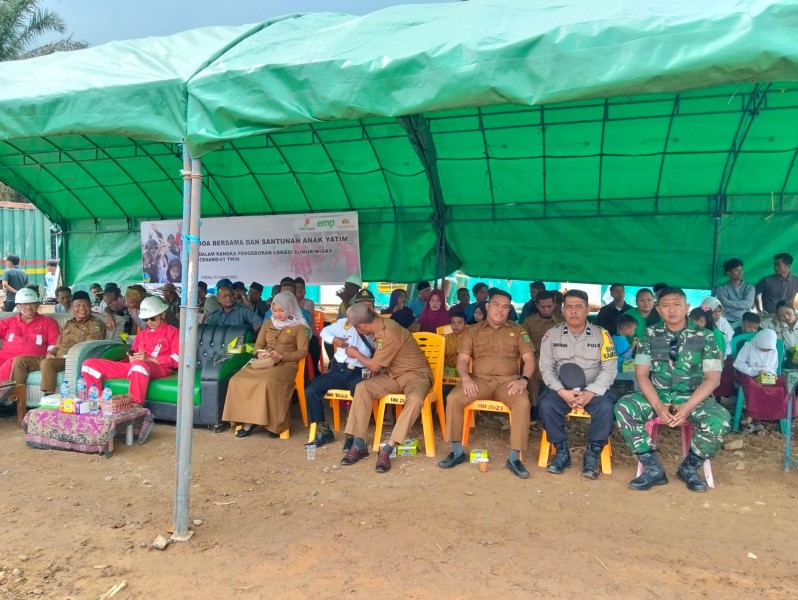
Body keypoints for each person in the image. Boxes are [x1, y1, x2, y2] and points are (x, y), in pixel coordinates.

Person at [615, 287, 729, 493]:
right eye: (666, 306)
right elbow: (641, 374)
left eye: (677, 305)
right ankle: (652, 468)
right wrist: (658, 406)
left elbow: (713, 379)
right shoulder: (649, 334)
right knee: (623, 407)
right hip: (658, 395)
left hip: (694, 397)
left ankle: (689, 468)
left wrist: (688, 406)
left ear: (687, 307)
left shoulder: (706, 336)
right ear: (658, 310)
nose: (672, 310)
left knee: (720, 418)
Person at [438, 290, 534, 478]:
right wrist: (465, 379)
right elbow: (462, 361)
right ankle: (457, 451)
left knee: (522, 403)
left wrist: (524, 380)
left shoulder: (518, 330)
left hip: (508, 383)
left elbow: (530, 359)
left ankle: (515, 458)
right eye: (496, 305)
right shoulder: (472, 331)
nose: (501, 310)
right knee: (454, 398)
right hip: (479, 381)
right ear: (488, 306)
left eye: (505, 307)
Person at [339, 303, 433, 473]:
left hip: (416, 375)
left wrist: (355, 353)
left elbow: (375, 366)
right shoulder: (380, 325)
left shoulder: (388, 331)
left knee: (415, 399)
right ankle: (358, 443)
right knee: (363, 388)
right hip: (394, 376)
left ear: (362, 326)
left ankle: (388, 448)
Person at [537, 290, 618, 479]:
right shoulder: (551, 335)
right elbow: (546, 369)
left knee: (606, 407)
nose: (574, 311)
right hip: (561, 390)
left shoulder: (602, 335)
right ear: (563, 310)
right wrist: (561, 391)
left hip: (593, 390)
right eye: (569, 307)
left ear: (587, 310)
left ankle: (593, 454)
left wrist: (590, 392)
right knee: (546, 405)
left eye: (579, 307)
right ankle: (561, 451)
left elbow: (610, 369)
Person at [223, 292, 310, 437]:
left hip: (286, 364)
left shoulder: (300, 327)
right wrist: (259, 353)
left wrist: (282, 356)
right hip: (263, 362)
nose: (277, 314)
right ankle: (248, 421)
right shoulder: (268, 322)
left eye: (281, 311)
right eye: (274, 310)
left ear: (289, 308)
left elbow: (303, 352)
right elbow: (258, 345)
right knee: (237, 380)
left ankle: (274, 424)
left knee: (267, 382)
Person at [305, 290, 376, 447]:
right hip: (339, 371)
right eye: (361, 305)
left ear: (373, 307)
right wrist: (334, 339)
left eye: (368, 305)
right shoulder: (345, 322)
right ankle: (323, 431)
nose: (365, 309)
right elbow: (325, 331)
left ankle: (353, 433)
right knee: (311, 390)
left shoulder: (377, 324)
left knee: (359, 392)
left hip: (360, 372)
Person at [81, 296, 179, 405]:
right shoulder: (142, 334)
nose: (149, 322)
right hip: (134, 367)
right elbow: (134, 351)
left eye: (152, 318)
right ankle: (97, 403)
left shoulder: (172, 332)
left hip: (158, 368)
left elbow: (177, 359)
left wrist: (148, 358)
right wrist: (131, 355)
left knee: (139, 365)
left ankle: (134, 405)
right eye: (146, 319)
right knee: (88, 364)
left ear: (163, 315)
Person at [10, 291, 106, 395]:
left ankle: (49, 397)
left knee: (47, 363)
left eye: (86, 305)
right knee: (20, 361)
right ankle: (15, 398)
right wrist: (52, 352)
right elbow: (58, 344)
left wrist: (67, 355)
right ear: (71, 308)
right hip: (57, 358)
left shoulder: (94, 324)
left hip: (72, 360)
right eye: (78, 305)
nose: (82, 308)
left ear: (90, 307)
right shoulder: (68, 324)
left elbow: (90, 346)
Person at [0, 288, 60, 393]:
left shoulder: (48, 323)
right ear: (18, 305)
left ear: (37, 305)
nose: (28, 307)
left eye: (32, 303)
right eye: (24, 304)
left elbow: (54, 346)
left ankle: (6, 399)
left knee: (12, 362)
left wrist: (50, 356)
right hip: (5, 357)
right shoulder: (8, 322)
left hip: (32, 360)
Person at [733, 329, 788, 429]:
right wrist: (754, 371)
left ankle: (773, 415)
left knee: (784, 384)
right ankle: (751, 415)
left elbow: (772, 367)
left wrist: (771, 374)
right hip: (748, 373)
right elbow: (738, 364)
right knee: (753, 386)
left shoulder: (774, 349)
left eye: (768, 349)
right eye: (763, 348)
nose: (766, 351)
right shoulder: (748, 346)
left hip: (766, 376)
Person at [521, 290, 565, 409]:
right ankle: (534, 406)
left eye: (549, 306)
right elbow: (523, 345)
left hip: (558, 358)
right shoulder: (529, 322)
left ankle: (559, 404)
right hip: (535, 357)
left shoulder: (562, 322)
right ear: (537, 305)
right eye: (543, 307)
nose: (546, 310)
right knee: (531, 366)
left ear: (555, 304)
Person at [715, 258, 755, 324]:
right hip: (726, 319)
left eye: (741, 270)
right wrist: (742, 306)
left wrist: (729, 304)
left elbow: (748, 304)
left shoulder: (749, 287)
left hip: (744, 320)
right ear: (728, 273)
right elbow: (724, 303)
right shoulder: (721, 288)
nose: (740, 273)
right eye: (736, 270)